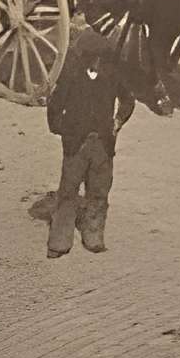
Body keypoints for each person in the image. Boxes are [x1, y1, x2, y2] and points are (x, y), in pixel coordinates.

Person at [43, 21, 133, 258]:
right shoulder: (71, 75)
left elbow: (128, 100)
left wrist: (118, 122)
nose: (97, 61)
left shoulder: (112, 74)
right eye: (94, 56)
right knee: (68, 191)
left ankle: (93, 236)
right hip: (76, 144)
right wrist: (61, 129)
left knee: (99, 191)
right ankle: (60, 241)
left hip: (103, 144)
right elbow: (54, 106)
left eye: (102, 56)